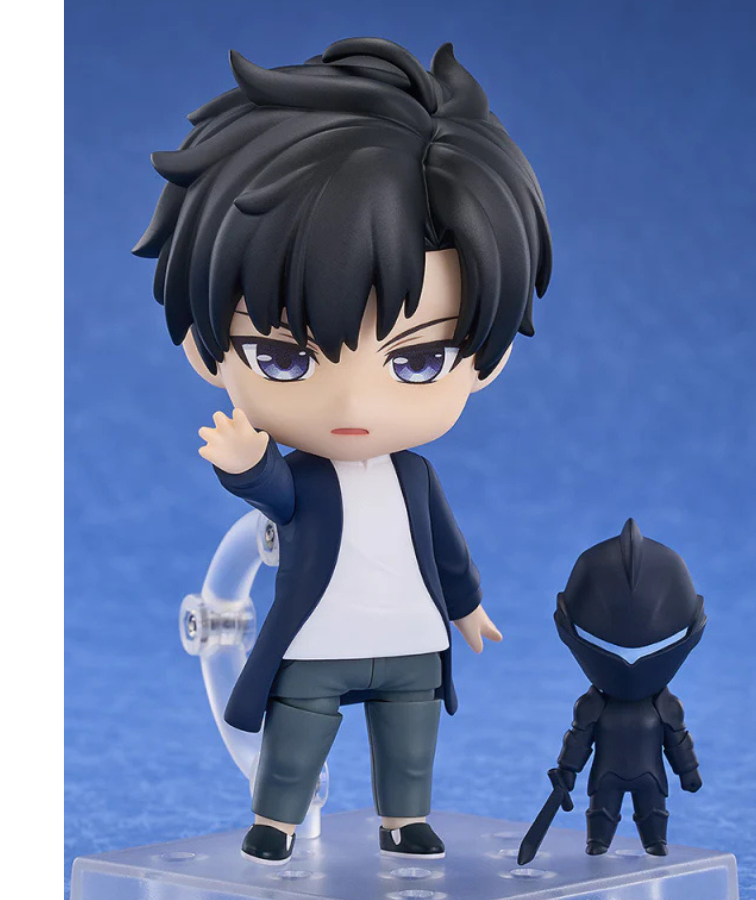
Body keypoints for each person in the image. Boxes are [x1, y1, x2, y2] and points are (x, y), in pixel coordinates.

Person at [134, 36, 552, 864]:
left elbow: (447, 549)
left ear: (488, 358)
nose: (355, 405)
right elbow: (280, 498)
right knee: (296, 736)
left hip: (410, 638)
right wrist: (247, 466)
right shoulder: (308, 477)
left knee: (411, 739)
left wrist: (465, 606)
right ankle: (277, 821)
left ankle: (405, 819)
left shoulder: (414, 474)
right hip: (315, 642)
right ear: (203, 349)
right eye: (284, 358)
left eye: (418, 360)